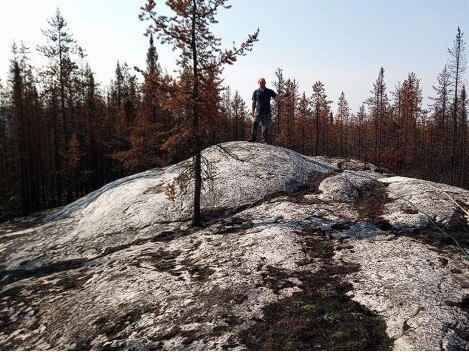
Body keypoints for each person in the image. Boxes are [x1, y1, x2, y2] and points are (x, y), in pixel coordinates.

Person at [247, 77, 277, 144]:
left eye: (263, 82)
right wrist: (253, 111)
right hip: (258, 111)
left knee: (265, 127)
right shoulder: (255, 92)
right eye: (260, 82)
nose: (262, 84)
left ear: (265, 83)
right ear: (258, 83)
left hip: (266, 112)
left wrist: (284, 96)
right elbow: (254, 102)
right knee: (255, 123)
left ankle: (264, 140)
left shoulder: (269, 91)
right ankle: (253, 138)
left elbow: (277, 97)